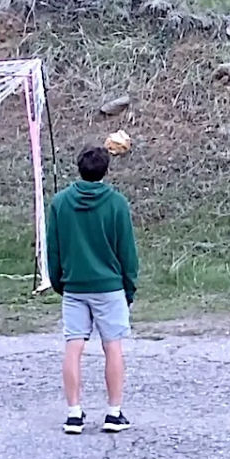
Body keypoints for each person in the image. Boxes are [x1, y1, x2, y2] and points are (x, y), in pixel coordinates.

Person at [46, 145, 139, 435]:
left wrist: (59, 281)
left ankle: (74, 413)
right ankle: (113, 412)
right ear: (106, 170)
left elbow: (53, 248)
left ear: (79, 168)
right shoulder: (116, 203)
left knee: (73, 346)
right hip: (109, 287)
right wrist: (129, 287)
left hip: (74, 285)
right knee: (112, 345)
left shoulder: (60, 203)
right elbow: (127, 250)